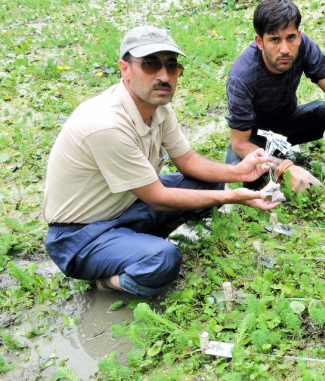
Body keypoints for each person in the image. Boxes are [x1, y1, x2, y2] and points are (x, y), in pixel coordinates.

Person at [42, 26, 279, 297]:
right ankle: (106, 280)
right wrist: (233, 196)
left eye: (171, 66)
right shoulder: (106, 125)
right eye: (150, 64)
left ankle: (137, 245)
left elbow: (188, 160)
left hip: (127, 204)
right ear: (125, 68)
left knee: (211, 184)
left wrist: (237, 173)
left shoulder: (159, 109)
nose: (164, 76)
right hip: (80, 236)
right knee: (163, 259)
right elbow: (157, 197)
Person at [225, 0, 325, 192]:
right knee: (239, 173)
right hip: (255, 137)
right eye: (274, 39)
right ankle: (277, 182)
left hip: (290, 122)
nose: (285, 49)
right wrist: (286, 168)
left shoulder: (304, 46)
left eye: (290, 37)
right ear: (260, 41)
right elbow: (240, 144)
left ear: (298, 36)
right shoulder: (241, 75)